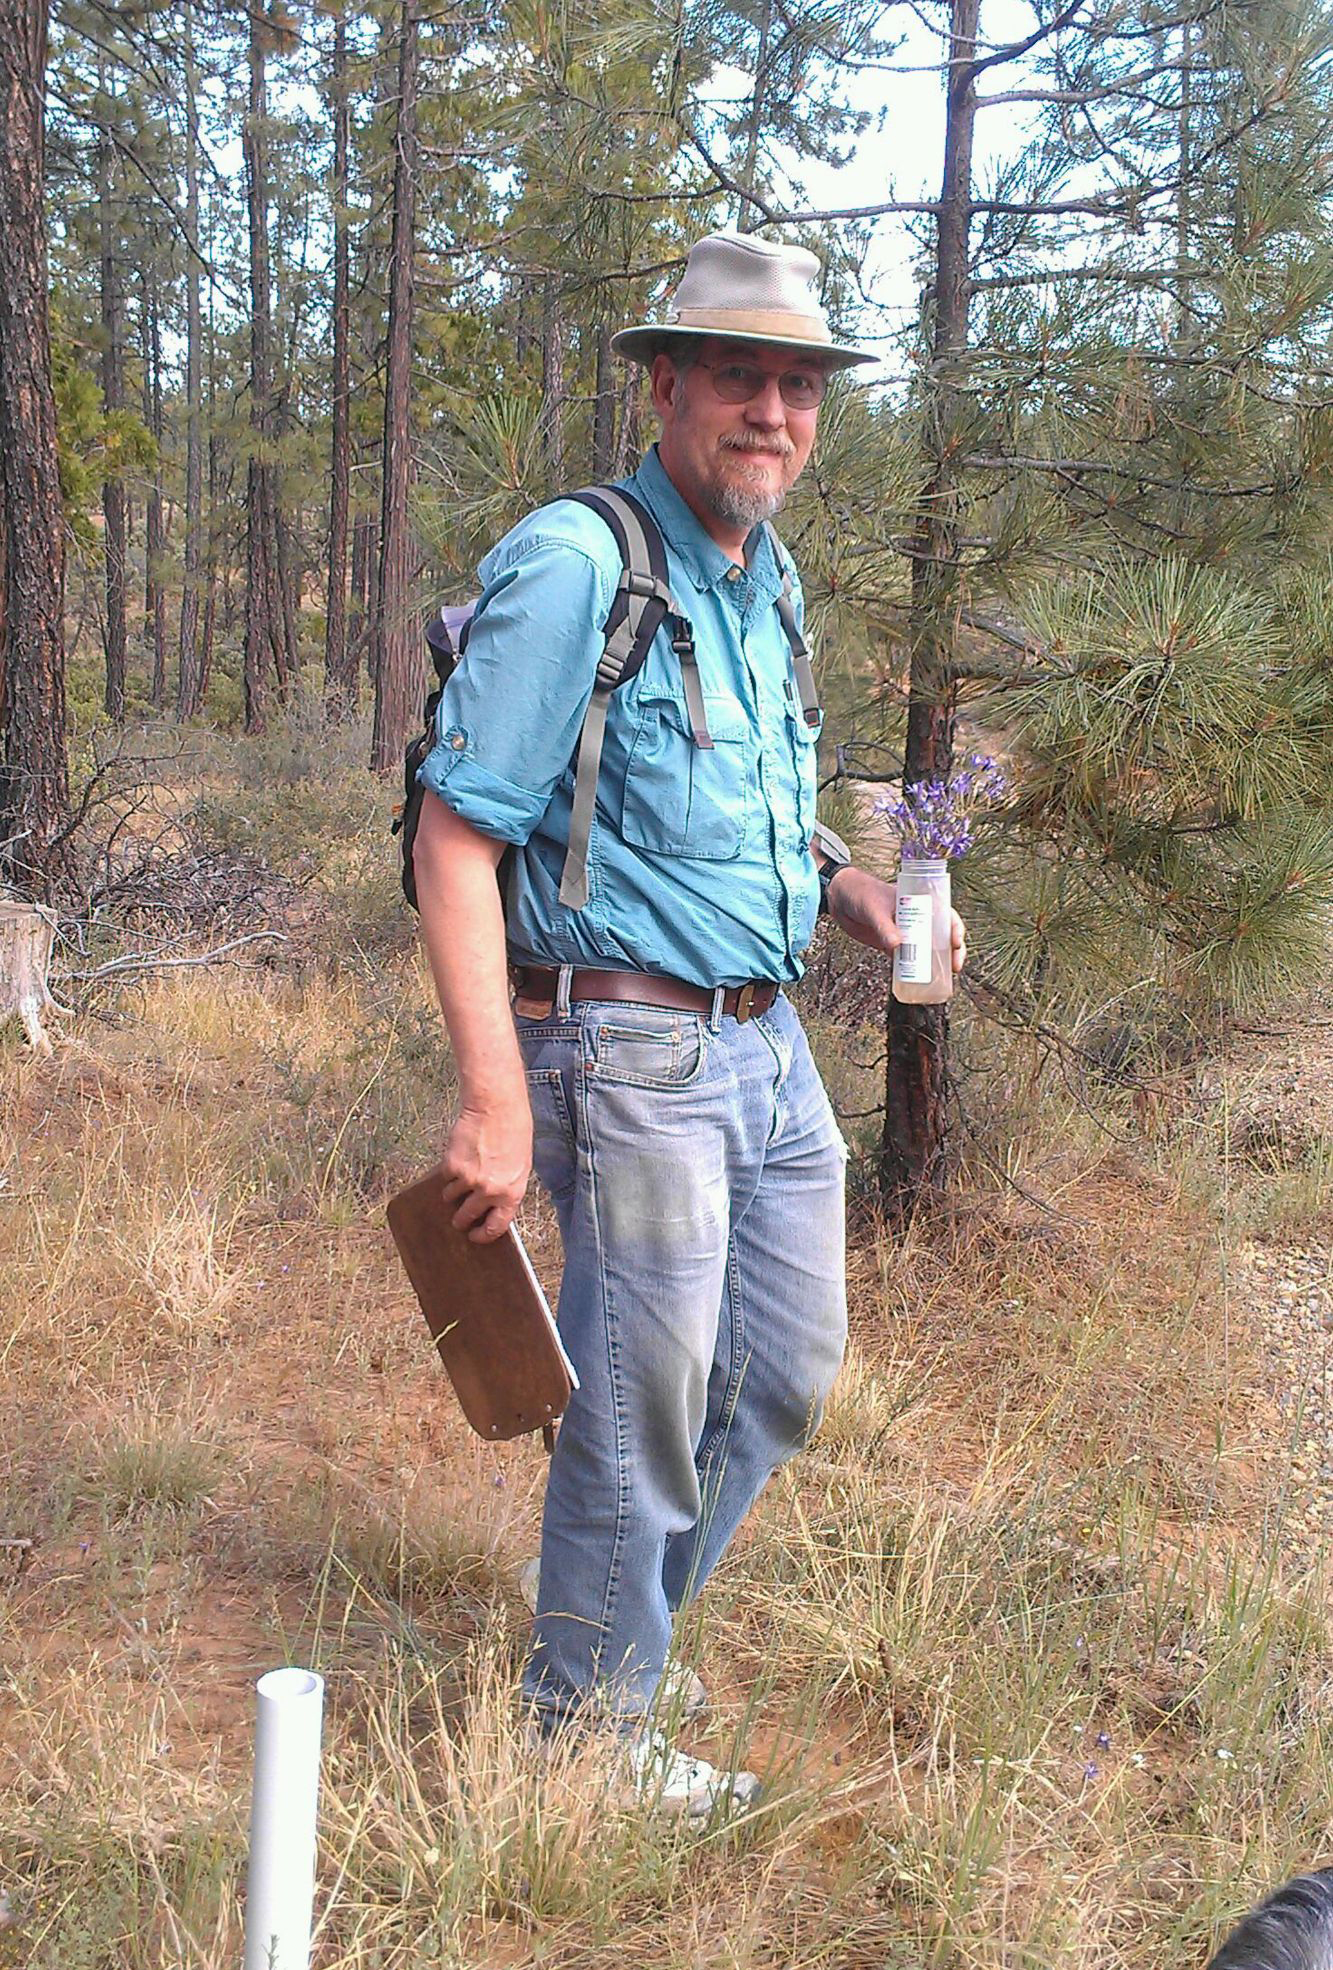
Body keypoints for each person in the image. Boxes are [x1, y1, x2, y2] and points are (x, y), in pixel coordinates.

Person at [411, 230, 967, 1816]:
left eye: (798, 386)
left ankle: (616, 1645)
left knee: (784, 1373)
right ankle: (582, 1736)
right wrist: (493, 1094)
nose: (772, 412)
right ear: (667, 383)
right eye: (741, 377)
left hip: (766, 1041)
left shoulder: (759, 577)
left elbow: (749, 802)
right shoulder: (579, 560)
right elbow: (458, 837)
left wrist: (850, 886)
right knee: (644, 1398)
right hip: (627, 1044)